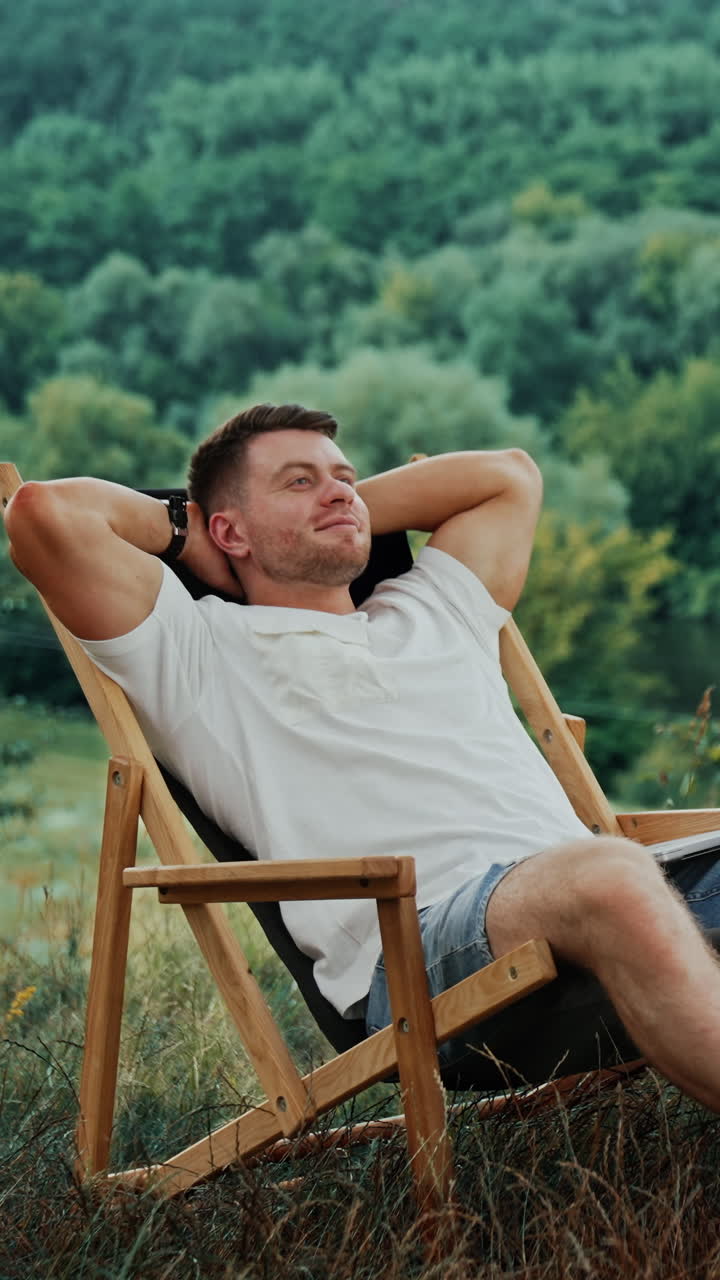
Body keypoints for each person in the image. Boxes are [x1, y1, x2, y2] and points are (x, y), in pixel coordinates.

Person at [6, 402, 720, 1107]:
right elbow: (43, 516)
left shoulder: (436, 606)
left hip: (597, 892)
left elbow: (510, 475)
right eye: (299, 481)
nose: (340, 491)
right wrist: (190, 535)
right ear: (229, 529)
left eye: (343, 477)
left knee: (612, 876)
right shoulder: (196, 652)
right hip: (423, 949)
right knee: (608, 875)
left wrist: (332, 507)